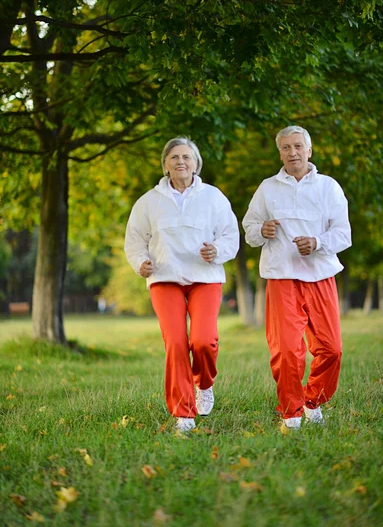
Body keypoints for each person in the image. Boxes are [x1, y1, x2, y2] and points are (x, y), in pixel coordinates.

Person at [124, 136, 239, 433]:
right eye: (174, 157)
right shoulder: (148, 201)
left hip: (205, 277)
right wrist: (141, 263)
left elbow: (230, 236)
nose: (181, 162)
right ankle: (184, 414)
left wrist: (218, 251)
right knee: (176, 342)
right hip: (165, 278)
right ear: (165, 165)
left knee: (203, 340)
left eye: (187, 157)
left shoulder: (213, 197)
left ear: (196, 163)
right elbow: (135, 239)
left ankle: (204, 384)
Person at [243, 126, 351, 431]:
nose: (293, 152)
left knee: (332, 349)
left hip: (320, 275)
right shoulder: (267, 188)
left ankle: (312, 400)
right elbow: (249, 227)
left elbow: (343, 233)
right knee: (288, 351)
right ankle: (290, 411)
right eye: (286, 148)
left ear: (309, 150)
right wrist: (260, 230)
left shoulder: (329, 187)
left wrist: (317, 242)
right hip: (282, 278)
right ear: (280, 152)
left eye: (298, 146)